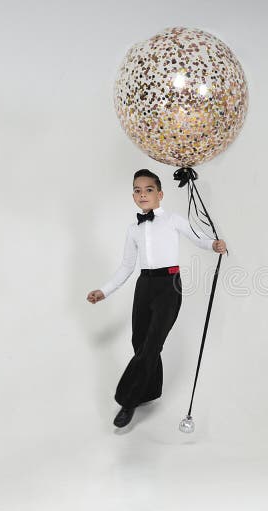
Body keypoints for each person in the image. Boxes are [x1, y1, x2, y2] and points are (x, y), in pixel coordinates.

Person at [86, 169, 227, 428]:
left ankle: (127, 400)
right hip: (144, 286)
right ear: (133, 196)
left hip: (169, 286)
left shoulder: (173, 220)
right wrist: (103, 291)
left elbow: (199, 238)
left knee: (152, 344)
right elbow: (127, 266)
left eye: (148, 189)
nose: (143, 194)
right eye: (138, 190)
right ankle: (150, 391)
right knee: (140, 342)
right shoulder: (133, 229)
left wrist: (213, 245)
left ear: (160, 194)